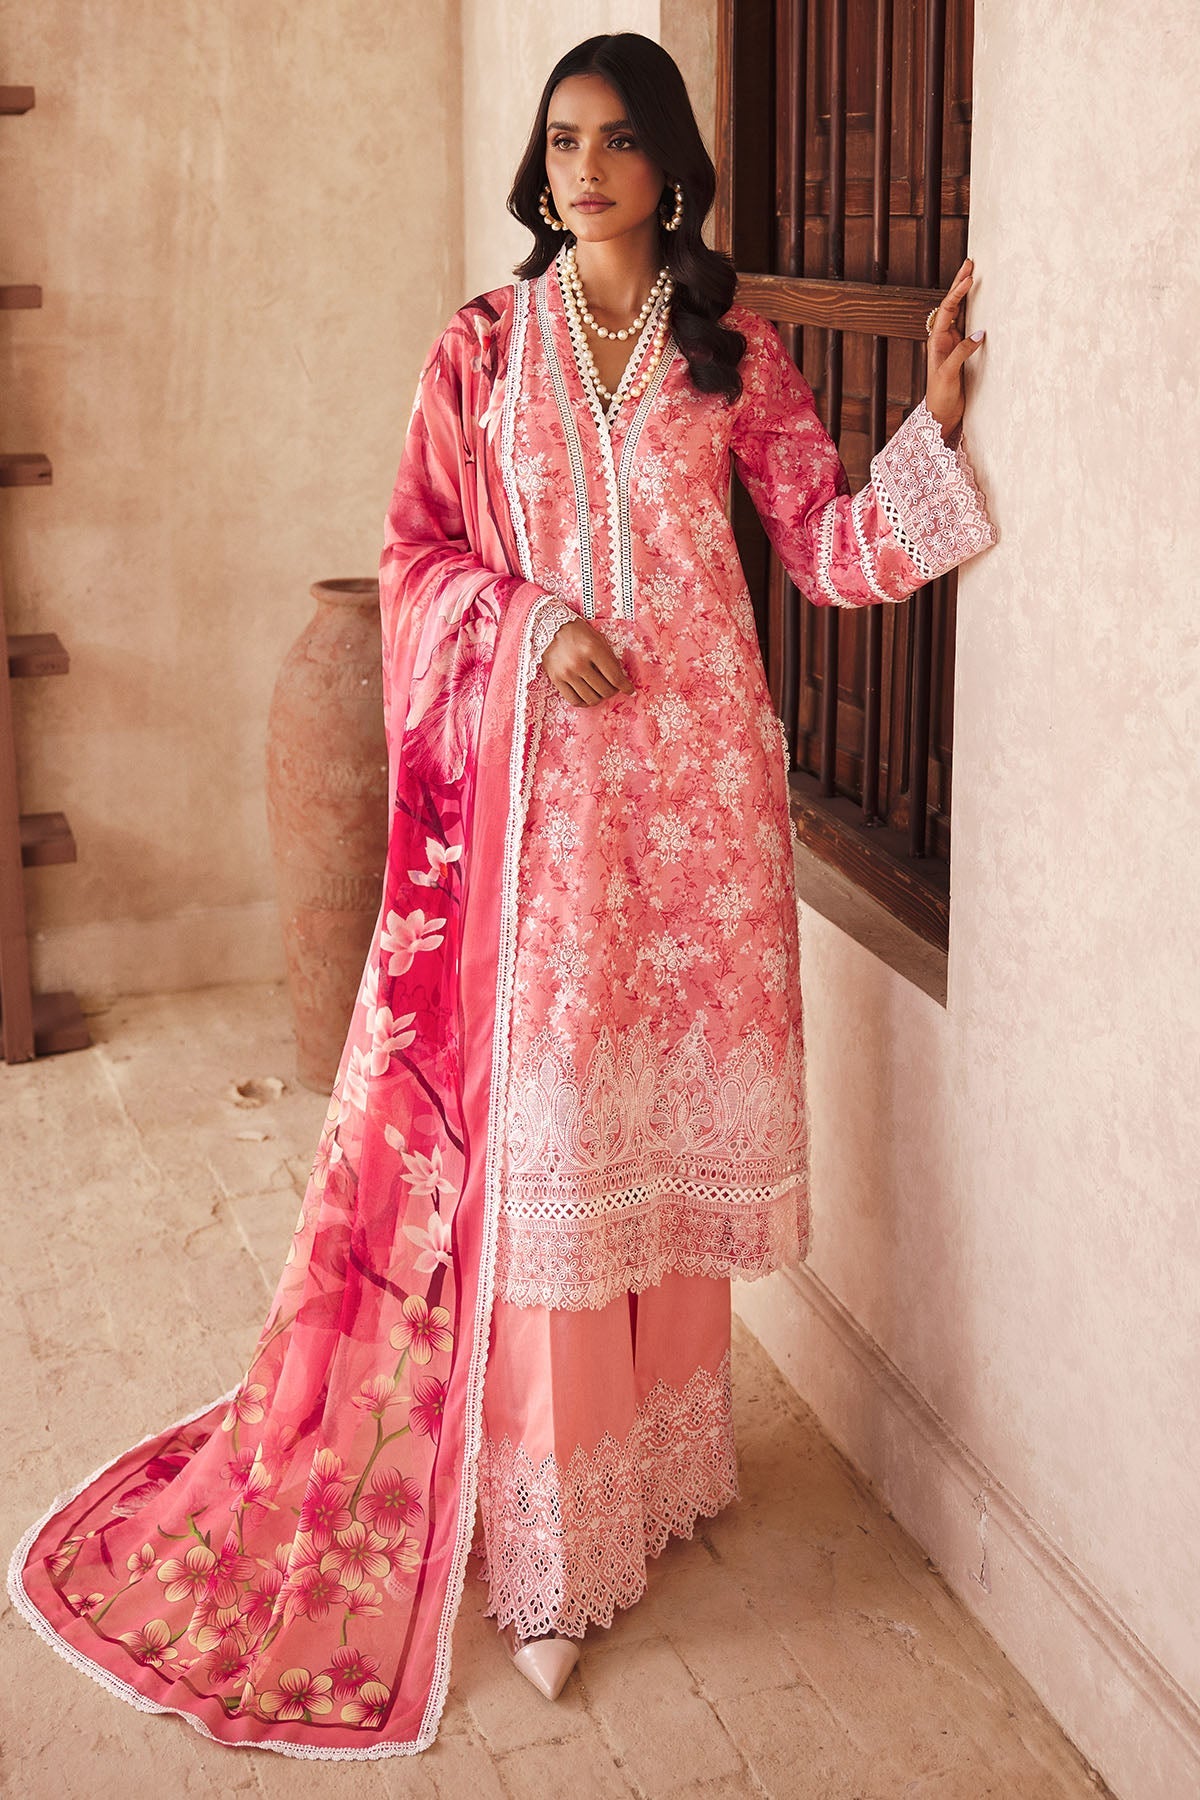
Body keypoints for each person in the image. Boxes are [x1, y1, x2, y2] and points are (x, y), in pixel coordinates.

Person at [6, 30, 997, 1761]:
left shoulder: (734, 352)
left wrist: (938, 422)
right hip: (545, 826)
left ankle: (659, 1483)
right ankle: (551, 1559)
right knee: (550, 1155)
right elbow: (417, 560)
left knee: (658, 1151)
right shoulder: (482, 347)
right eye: (560, 142)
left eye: (615, 141)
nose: (582, 170)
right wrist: (531, 628)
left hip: (702, 820)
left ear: (671, 166)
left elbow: (829, 552)